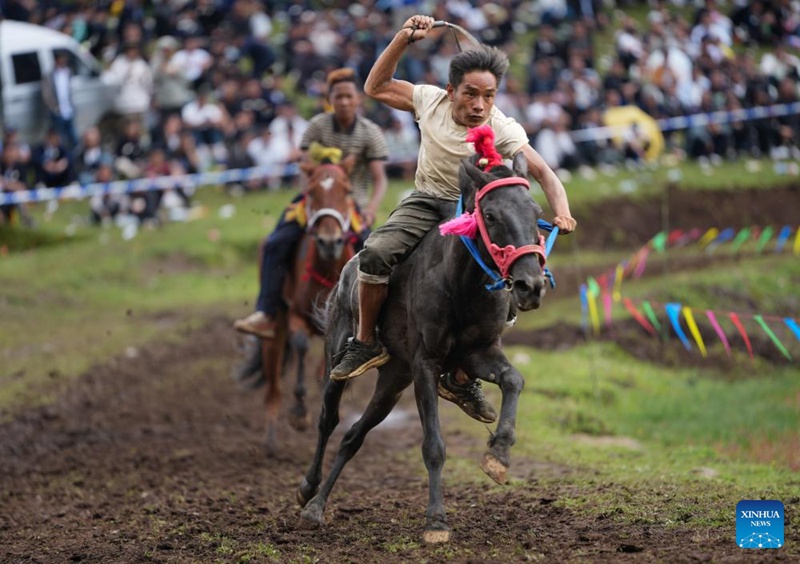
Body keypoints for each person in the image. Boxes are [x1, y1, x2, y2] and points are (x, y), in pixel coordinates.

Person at [328, 15, 577, 422]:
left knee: (506, 290)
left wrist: (563, 212)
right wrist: (402, 39)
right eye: (470, 94)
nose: (479, 105)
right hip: (426, 201)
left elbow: (546, 174)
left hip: (474, 212)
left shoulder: (501, 127)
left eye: (489, 96)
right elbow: (374, 87)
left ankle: (462, 376)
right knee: (375, 254)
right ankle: (365, 341)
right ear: (451, 91)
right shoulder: (428, 99)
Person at [233, 68, 389, 339]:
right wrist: (312, 198)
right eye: (337, 96)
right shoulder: (316, 126)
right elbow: (304, 168)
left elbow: (380, 179)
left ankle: (375, 323)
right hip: (315, 202)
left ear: (357, 100)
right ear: (330, 99)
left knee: (375, 257)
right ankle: (267, 313)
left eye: (348, 96)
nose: (343, 101)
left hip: (352, 207)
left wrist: (371, 209)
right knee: (274, 244)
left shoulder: (370, 133)